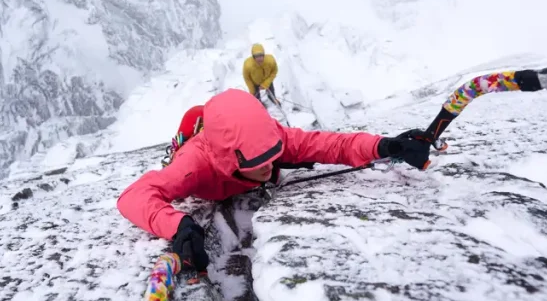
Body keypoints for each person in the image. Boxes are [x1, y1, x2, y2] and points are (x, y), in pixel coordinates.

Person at [118, 89, 432, 272]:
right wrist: (177, 226)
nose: (270, 166)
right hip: (199, 145)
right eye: (258, 162)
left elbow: (331, 144)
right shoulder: (194, 165)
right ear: (231, 160)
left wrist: (384, 146)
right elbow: (134, 196)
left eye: (274, 155)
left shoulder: (272, 137)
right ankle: (194, 124)